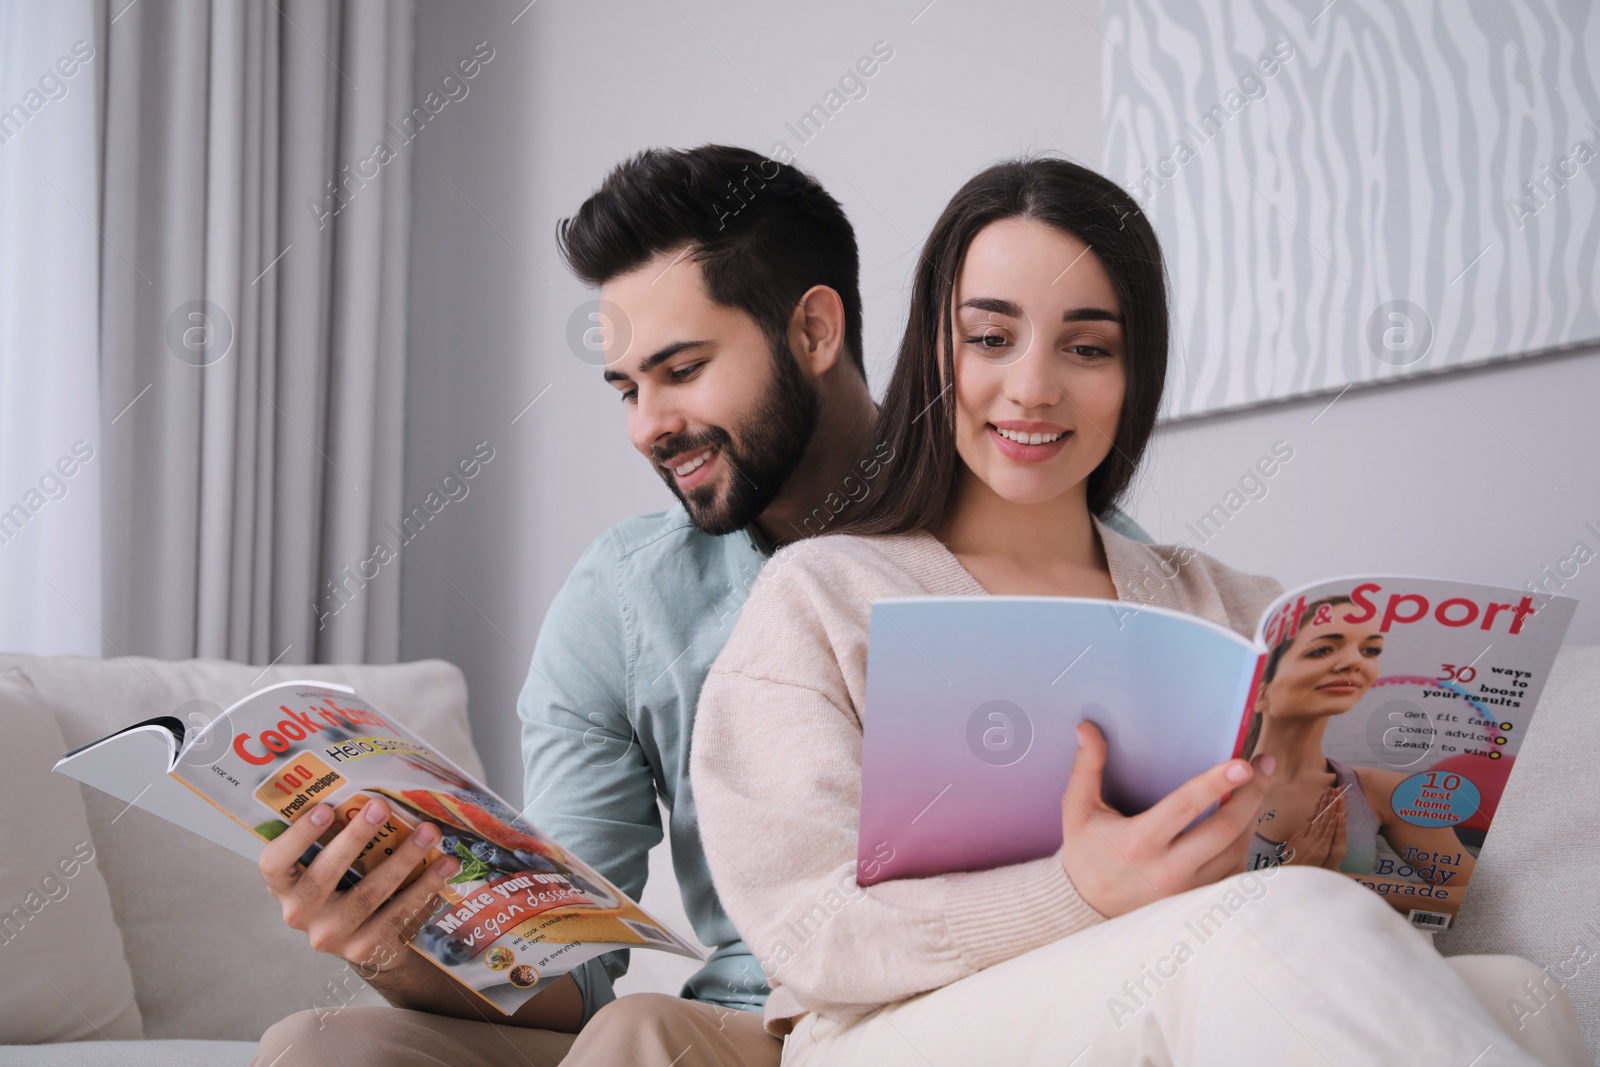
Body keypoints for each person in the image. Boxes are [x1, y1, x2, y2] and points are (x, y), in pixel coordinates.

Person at [249, 146, 1154, 1067]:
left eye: (681, 370)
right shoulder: (625, 597)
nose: (647, 425)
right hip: (734, 1025)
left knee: (643, 1035)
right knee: (320, 1047)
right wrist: (394, 938)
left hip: (936, 1016)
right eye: (629, 388)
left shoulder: (1044, 534)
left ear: (813, 331)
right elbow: (566, 969)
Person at [689, 156, 1589, 1066]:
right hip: (896, 1028)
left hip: (1198, 970)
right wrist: (1077, 889)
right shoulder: (824, 595)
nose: (1034, 387)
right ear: (935, 351)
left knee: (1519, 992)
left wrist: (1337, 843)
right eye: (991, 338)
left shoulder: (1233, 605)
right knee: (1271, 924)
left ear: (1135, 372)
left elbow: (1372, 912)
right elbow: (808, 927)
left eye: (1088, 347)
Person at [1243, 596, 1479, 895]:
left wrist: (1342, 885)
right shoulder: (1211, 787)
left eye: (1370, 650)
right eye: (1322, 650)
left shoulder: (1386, 792)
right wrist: (1288, 882)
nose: (1356, 661)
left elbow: (1472, 896)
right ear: (1260, 689)